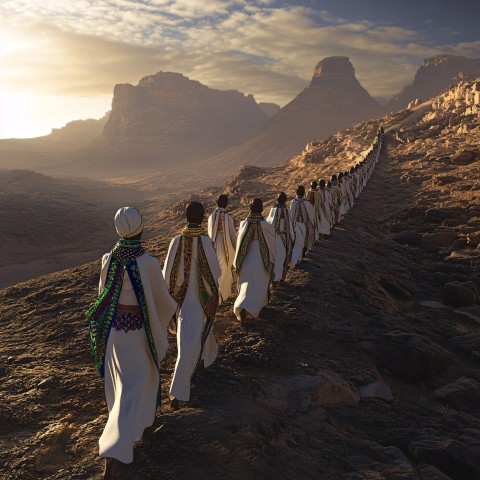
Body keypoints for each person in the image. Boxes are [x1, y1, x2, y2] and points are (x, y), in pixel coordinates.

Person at [86, 207, 177, 478]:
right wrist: (171, 315)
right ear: (140, 229)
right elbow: (161, 300)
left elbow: (102, 293)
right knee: (138, 384)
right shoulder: (147, 262)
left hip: (115, 334)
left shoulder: (108, 259)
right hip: (138, 334)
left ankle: (137, 429)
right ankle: (118, 446)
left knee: (121, 387)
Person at [163, 202, 221, 408]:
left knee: (188, 338)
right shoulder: (206, 242)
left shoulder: (177, 240)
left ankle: (201, 363)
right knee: (190, 342)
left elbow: (168, 273)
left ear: (185, 216)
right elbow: (216, 272)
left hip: (183, 299)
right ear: (203, 217)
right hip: (203, 298)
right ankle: (178, 390)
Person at [233, 198, 275, 326]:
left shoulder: (244, 224)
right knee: (259, 287)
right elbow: (271, 245)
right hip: (261, 261)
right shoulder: (267, 225)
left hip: (246, 260)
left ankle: (242, 306)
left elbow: (240, 244)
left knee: (246, 287)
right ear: (261, 208)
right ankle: (255, 309)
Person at [207, 194, 237, 304]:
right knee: (223, 272)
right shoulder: (228, 218)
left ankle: (218, 296)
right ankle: (220, 297)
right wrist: (237, 248)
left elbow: (210, 234)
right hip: (225, 250)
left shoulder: (211, 217)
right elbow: (233, 236)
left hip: (213, 248)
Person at [266, 192, 295, 283]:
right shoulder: (287, 211)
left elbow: (269, 224)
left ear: (277, 200)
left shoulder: (273, 210)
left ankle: (275, 279)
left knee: (275, 260)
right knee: (281, 259)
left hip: (274, 239)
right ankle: (279, 278)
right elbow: (291, 226)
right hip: (285, 240)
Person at [290, 185, 315, 262]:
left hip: (293, 226)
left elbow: (291, 214)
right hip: (302, 225)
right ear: (304, 192)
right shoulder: (306, 203)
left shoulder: (293, 202)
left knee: (296, 243)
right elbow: (312, 215)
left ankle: (296, 259)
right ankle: (296, 260)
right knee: (300, 243)